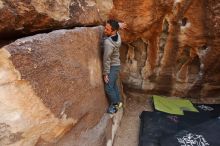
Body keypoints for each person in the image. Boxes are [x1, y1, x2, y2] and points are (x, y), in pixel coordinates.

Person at [103, 19, 125, 114]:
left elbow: (106, 59)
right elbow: (116, 26)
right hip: (116, 65)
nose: (104, 30)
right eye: (105, 28)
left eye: (107, 29)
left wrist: (105, 73)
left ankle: (115, 104)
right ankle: (119, 102)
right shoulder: (118, 35)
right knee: (113, 85)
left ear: (113, 31)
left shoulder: (108, 43)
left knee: (108, 87)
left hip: (112, 66)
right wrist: (119, 25)